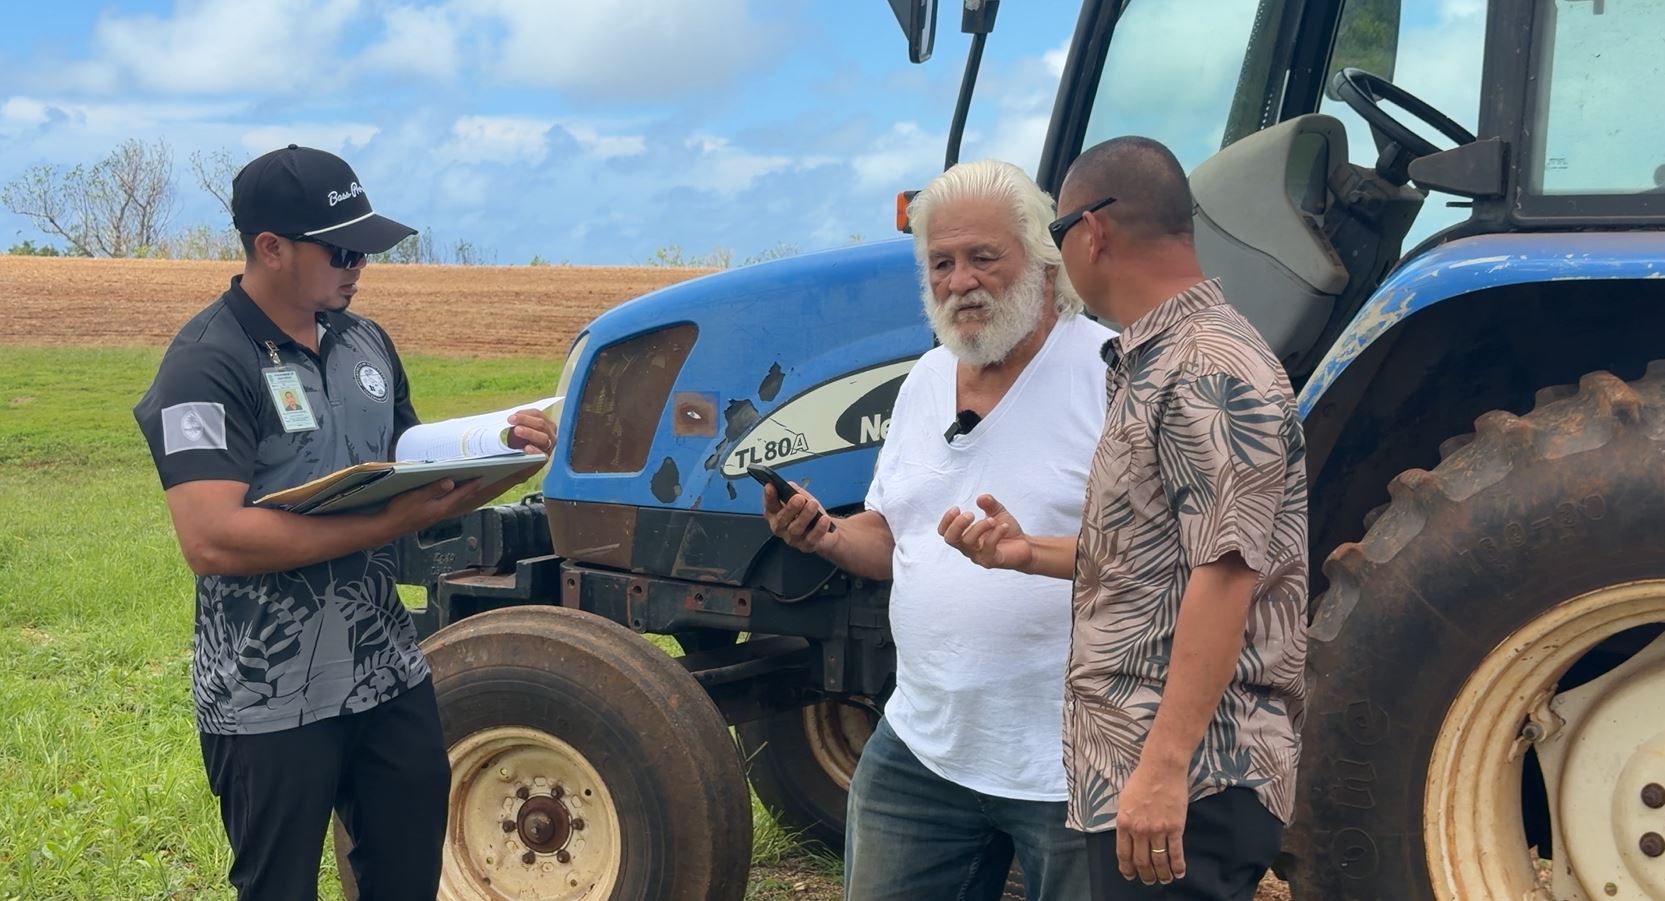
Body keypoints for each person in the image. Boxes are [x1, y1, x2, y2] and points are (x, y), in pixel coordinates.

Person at [133, 144, 554, 901]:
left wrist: (512, 459)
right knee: (279, 887)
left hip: (385, 670)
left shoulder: (366, 343)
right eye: (342, 249)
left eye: (367, 247)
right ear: (270, 248)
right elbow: (212, 538)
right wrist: (381, 524)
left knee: (405, 878)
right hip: (267, 693)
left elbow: (415, 481)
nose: (360, 264)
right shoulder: (204, 363)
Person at [940, 136, 1308, 901]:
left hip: (1191, 784)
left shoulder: (1210, 367)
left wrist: (1164, 768)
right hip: (1145, 774)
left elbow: (1226, 572)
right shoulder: (1155, 360)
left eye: (1055, 236)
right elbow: (1165, 560)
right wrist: (1024, 551)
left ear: (1093, 231)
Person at [762, 159, 1108, 900]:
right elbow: (891, 540)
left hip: (1070, 764)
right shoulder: (924, 381)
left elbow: (1167, 564)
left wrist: (1027, 555)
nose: (960, 281)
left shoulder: (1113, 374)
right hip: (922, 748)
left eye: (983, 257)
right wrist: (823, 533)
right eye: (940, 263)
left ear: (1044, 261)